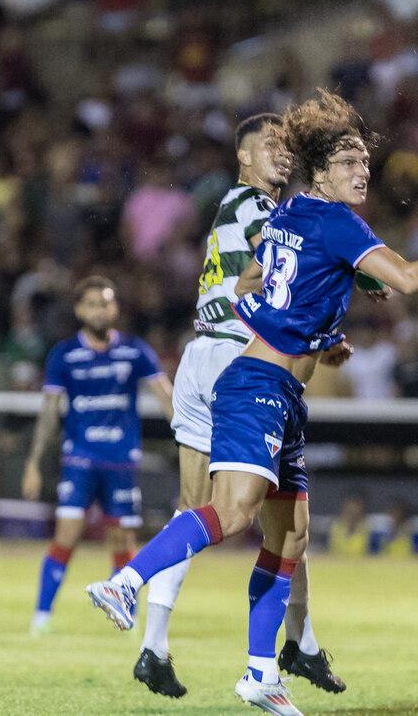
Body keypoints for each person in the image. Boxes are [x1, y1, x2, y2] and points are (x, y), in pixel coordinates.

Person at [86, 89, 418, 715]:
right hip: (255, 387)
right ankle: (125, 583)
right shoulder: (337, 222)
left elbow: (251, 283)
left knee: (291, 537)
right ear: (319, 170)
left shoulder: (287, 214)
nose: (361, 170)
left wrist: (314, 334)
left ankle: (261, 674)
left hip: (282, 392)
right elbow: (412, 280)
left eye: (364, 160)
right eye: (347, 161)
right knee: (229, 515)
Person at [134, 113, 345, 699]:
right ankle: (292, 648)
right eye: (268, 145)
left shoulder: (250, 207)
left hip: (202, 359)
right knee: (282, 517)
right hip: (240, 365)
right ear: (244, 160)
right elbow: (279, 262)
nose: (281, 152)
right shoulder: (254, 206)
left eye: (285, 145)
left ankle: (154, 644)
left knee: (194, 507)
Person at [22, 276, 173, 636]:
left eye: (105, 303)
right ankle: (42, 616)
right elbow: (49, 411)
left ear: (115, 308)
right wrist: (33, 463)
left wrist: (190, 438)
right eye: (91, 304)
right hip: (80, 460)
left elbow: (166, 396)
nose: (99, 310)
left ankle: (126, 618)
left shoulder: (134, 351)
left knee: (123, 540)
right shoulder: (64, 354)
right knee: (67, 535)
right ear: (78, 310)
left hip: (121, 461)